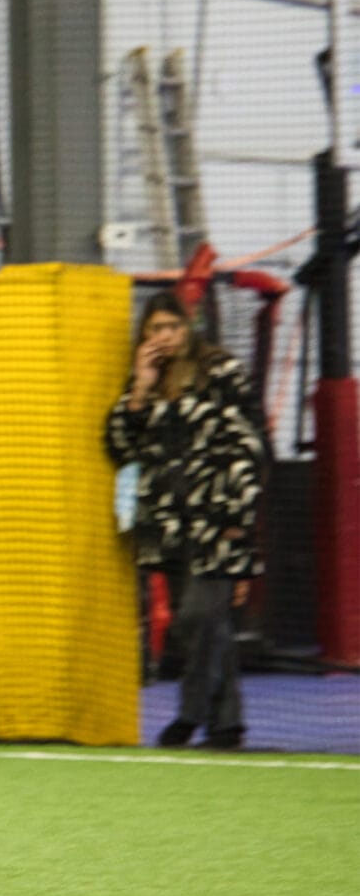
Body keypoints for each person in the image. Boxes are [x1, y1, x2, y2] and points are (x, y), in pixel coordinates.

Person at [105, 288, 265, 750]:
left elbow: (249, 443)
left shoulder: (221, 371)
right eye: (156, 328)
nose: (165, 335)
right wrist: (138, 387)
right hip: (169, 527)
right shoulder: (148, 381)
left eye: (172, 326)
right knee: (207, 624)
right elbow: (122, 448)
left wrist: (239, 514)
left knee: (198, 618)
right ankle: (227, 725)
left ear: (187, 327)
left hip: (219, 521)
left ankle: (189, 714)